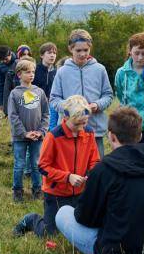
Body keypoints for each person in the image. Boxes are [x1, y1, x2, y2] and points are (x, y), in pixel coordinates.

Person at [55, 106, 144, 254]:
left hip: (118, 253)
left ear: (111, 136)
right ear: (140, 135)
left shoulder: (103, 169)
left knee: (63, 213)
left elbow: (84, 218)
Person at [13, 95, 99, 237]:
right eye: (77, 124)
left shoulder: (89, 133)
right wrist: (68, 177)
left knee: (77, 230)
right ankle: (31, 220)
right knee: (50, 234)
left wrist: (91, 174)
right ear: (65, 118)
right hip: (56, 193)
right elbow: (42, 166)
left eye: (84, 123)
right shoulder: (53, 137)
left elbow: (94, 160)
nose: (81, 128)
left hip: (80, 192)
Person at [50, 29, 113, 157]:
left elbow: (108, 95)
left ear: (90, 48)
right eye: (78, 50)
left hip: (95, 130)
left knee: (95, 169)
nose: (82, 54)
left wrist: (97, 104)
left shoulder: (100, 69)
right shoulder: (62, 72)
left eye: (86, 50)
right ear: (70, 49)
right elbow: (54, 99)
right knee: (72, 169)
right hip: (69, 130)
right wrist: (69, 107)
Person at [8, 60, 49, 202]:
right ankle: (17, 190)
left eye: (33, 72)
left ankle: (37, 189)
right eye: (27, 72)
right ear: (19, 74)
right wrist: (24, 133)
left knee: (37, 164)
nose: (31, 75)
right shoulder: (14, 94)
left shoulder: (40, 92)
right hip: (20, 137)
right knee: (19, 164)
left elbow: (45, 113)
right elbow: (13, 116)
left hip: (37, 137)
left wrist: (41, 131)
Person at [0, 46, 16, 115]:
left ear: (10, 54)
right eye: (2, 60)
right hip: (7, 95)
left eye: (6, 59)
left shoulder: (19, 61)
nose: (4, 61)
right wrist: (0, 103)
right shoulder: (1, 67)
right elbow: (0, 86)